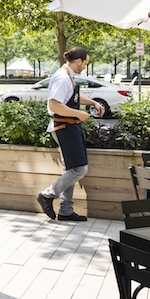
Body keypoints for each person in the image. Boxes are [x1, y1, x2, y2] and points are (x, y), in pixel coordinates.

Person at [36, 46, 104, 222]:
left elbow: (72, 97)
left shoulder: (68, 75)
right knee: (79, 169)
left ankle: (65, 211)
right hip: (64, 128)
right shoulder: (62, 78)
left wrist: (92, 103)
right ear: (78, 61)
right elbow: (55, 105)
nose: (85, 67)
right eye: (85, 63)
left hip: (69, 127)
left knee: (71, 169)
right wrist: (79, 114)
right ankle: (47, 195)